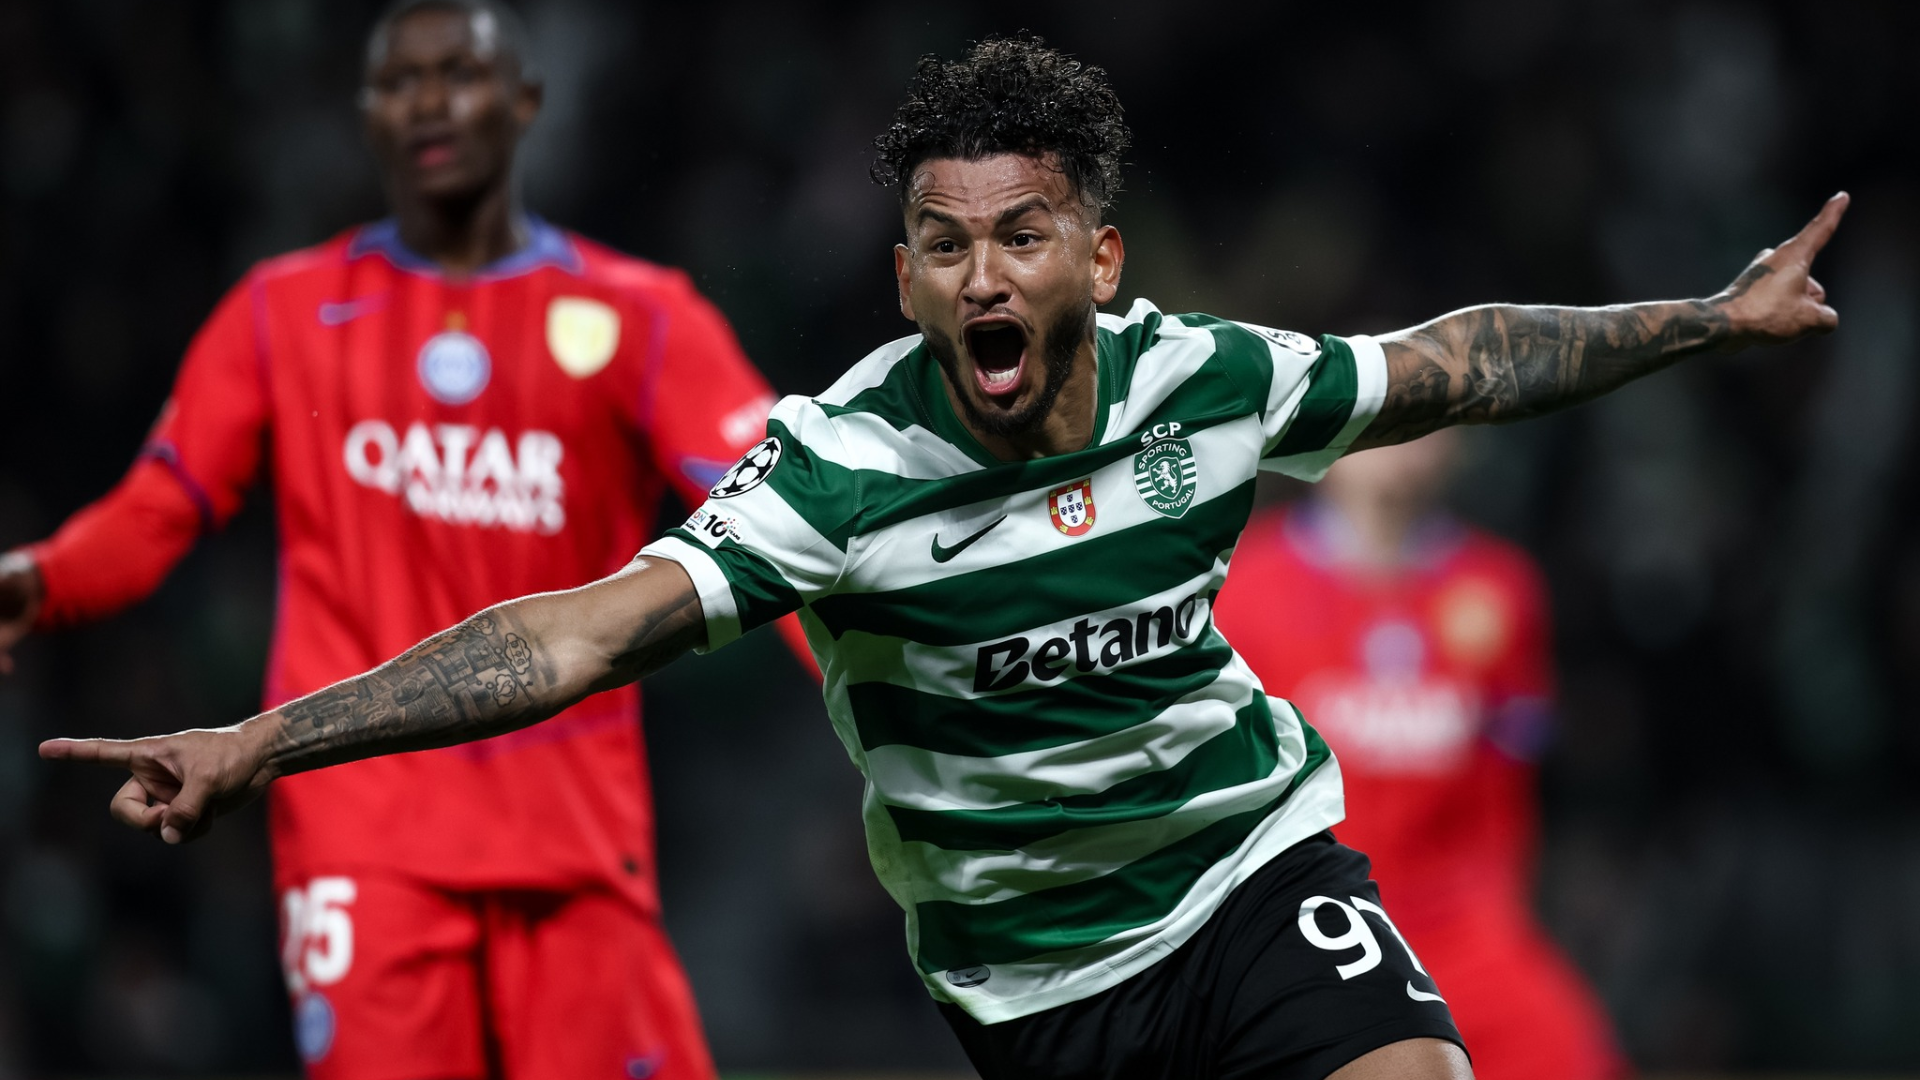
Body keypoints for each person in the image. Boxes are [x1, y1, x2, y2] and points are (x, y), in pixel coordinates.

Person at [40, 36, 1846, 1080]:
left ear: (1102, 258)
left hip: (1249, 872)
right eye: (942, 243)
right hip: (1034, 986)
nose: (985, 277)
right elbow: (576, 638)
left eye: (1026, 234)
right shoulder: (834, 471)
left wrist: (1700, 318)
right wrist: (262, 744)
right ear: (902, 274)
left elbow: (1450, 361)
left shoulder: (1204, 385)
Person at [3, 2, 798, 1078]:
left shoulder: (640, 316)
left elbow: (785, 510)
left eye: (459, 72)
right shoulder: (282, 312)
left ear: (525, 101)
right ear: (364, 116)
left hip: (570, 839)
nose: (427, 100)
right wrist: (42, 582)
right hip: (362, 839)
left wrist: (893, 688)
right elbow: (159, 508)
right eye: (396, 81)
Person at [1213, 431, 1627, 1080]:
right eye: (1382, 418)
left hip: (1465, 930)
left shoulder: (1501, 589)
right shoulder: (1242, 586)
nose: (1405, 442)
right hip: (1309, 928)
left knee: (1568, 1051)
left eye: (1427, 418)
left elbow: (1510, 782)